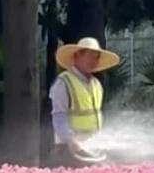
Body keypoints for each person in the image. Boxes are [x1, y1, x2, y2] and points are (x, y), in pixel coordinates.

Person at [49, 36, 120, 165]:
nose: (93, 60)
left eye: (96, 56)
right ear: (77, 57)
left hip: (92, 147)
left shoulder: (96, 85)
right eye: (89, 55)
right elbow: (58, 117)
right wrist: (71, 141)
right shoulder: (64, 82)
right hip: (68, 151)